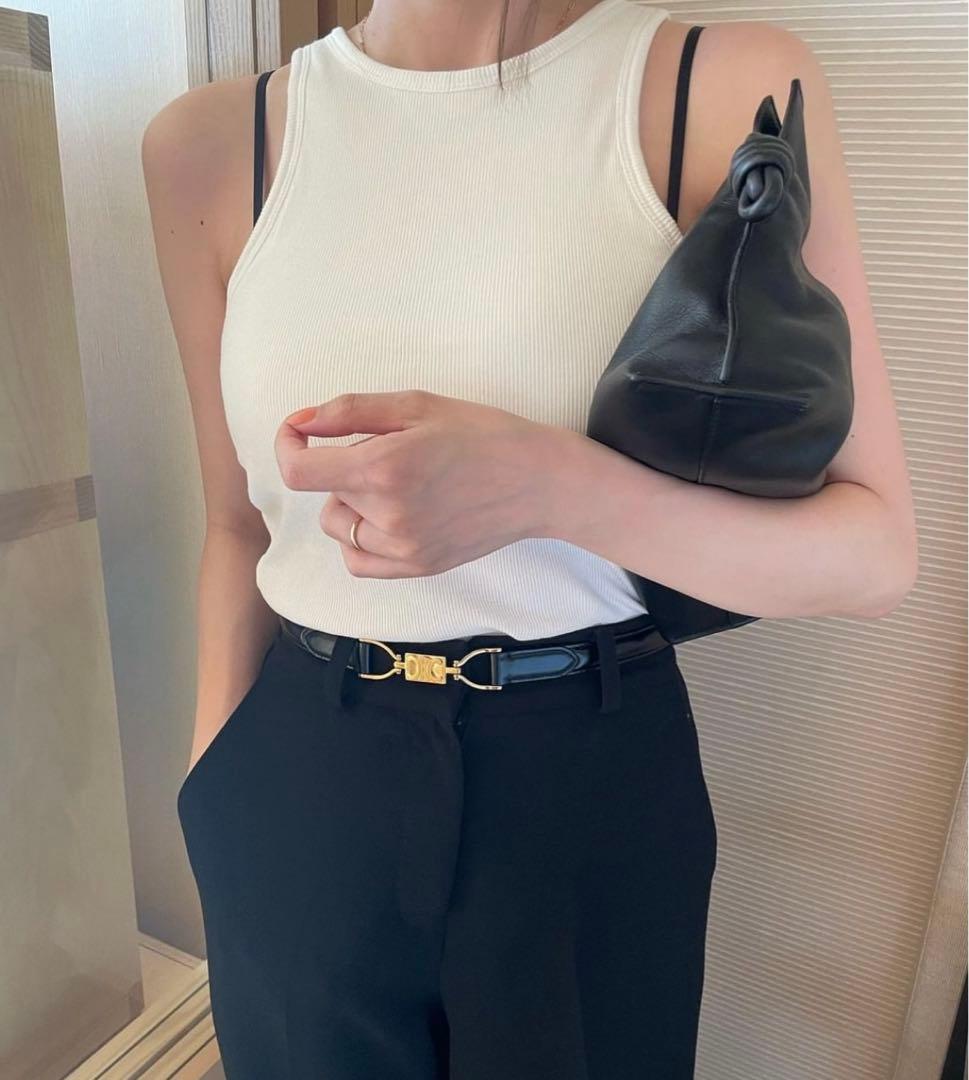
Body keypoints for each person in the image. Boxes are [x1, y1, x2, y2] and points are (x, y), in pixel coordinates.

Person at [141, 2, 918, 1076]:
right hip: (298, 780)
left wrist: (552, 487)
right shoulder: (209, 144)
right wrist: (214, 791)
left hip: (586, 782)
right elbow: (234, 524)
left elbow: (875, 552)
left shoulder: (710, 86)